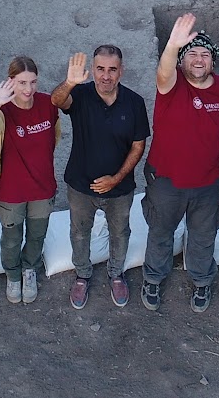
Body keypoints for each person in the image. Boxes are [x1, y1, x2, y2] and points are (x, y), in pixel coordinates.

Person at [141, 14, 219, 313]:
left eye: (205, 54)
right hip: (167, 180)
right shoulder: (172, 85)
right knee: (160, 232)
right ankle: (153, 279)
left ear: (213, 62)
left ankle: (202, 281)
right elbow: (163, 73)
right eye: (191, 53)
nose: (198, 59)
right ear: (181, 61)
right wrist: (172, 46)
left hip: (207, 182)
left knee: (203, 236)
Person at [52, 45, 150, 310]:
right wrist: (70, 82)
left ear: (121, 71)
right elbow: (57, 101)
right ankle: (83, 274)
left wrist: (116, 178)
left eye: (112, 70)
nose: (105, 76)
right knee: (79, 232)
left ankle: (116, 273)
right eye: (100, 69)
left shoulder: (134, 102)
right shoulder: (80, 95)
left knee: (120, 232)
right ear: (93, 70)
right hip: (81, 185)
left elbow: (138, 145)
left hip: (120, 189)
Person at [0, 55, 60, 307]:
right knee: (11, 238)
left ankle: (29, 270)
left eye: (33, 82)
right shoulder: (3, 110)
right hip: (12, 190)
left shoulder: (48, 104)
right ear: (11, 82)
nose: (28, 89)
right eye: (22, 82)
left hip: (42, 187)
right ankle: (13, 274)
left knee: (37, 235)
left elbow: (54, 138)